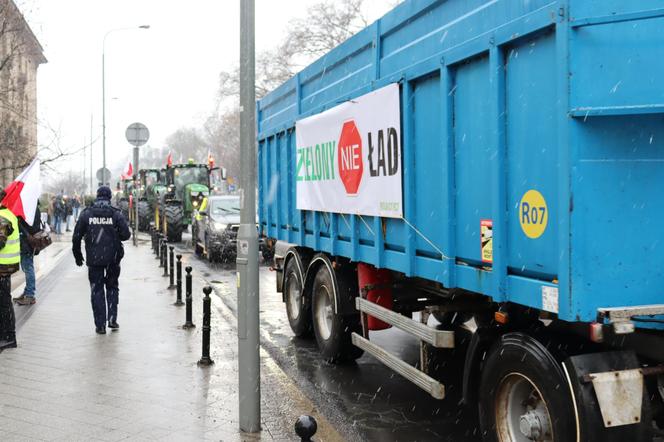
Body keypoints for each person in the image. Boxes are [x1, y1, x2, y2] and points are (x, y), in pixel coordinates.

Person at [72, 186, 130, 334]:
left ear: (97, 197)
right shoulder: (115, 213)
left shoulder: (87, 213)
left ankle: (100, 325)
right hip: (113, 258)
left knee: (96, 290)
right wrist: (113, 233)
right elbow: (126, 235)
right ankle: (112, 319)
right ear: (109, 197)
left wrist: (78, 255)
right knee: (112, 287)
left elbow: (76, 236)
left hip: (94, 259)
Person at [0, 192, 21, 349]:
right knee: (3, 301)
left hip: (3, 267)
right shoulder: (7, 213)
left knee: (4, 302)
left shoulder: (2, 217)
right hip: (5, 265)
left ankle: (8, 337)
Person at [13, 204, 42, 306]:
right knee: (27, 267)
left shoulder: (29, 208)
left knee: (28, 267)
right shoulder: (34, 207)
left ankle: (30, 295)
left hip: (27, 242)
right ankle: (27, 292)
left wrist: (18, 220)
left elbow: (30, 227)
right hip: (29, 242)